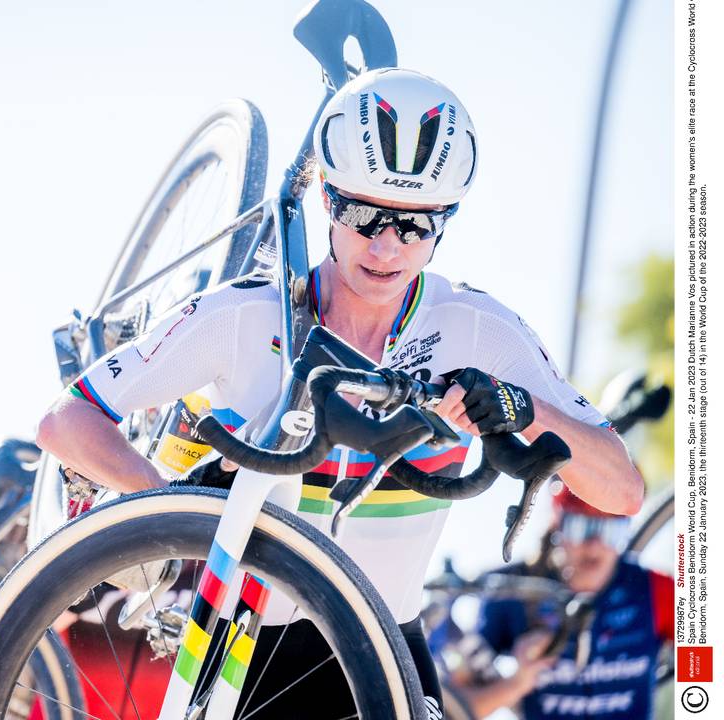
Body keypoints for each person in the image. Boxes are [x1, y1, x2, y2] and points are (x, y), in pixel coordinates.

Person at [36, 67, 644, 718]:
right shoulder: (244, 315)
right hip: (244, 651)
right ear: (328, 196)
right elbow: (67, 421)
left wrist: (525, 410)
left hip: (387, 643)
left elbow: (622, 489)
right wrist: (165, 513)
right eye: (364, 214)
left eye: (415, 226)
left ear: (447, 222)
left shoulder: (477, 329)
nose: (386, 245)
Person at [455, 485, 673, 719]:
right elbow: (452, 708)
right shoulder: (511, 591)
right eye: (583, 528)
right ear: (558, 526)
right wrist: (517, 683)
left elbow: (706, 665)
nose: (595, 545)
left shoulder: (656, 589)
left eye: (611, 530)